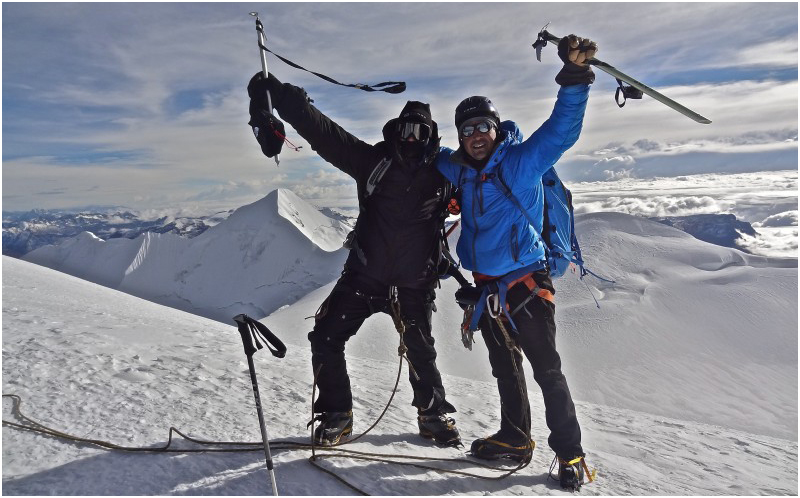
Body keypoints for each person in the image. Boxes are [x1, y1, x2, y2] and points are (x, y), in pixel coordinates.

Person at [247, 72, 461, 447]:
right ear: (395, 130)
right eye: (406, 129)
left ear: (431, 137)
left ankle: (433, 416)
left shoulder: (445, 172)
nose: (411, 137)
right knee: (326, 337)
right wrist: (283, 96)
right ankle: (337, 416)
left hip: (414, 282)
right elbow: (325, 133)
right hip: (366, 275)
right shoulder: (372, 162)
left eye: (419, 131)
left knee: (421, 353)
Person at [435, 35, 597, 489]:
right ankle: (515, 437)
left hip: (526, 283)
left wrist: (575, 76)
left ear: (496, 127)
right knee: (504, 366)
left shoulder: (522, 162)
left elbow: (562, 129)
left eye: (483, 126)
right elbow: (429, 159)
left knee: (546, 369)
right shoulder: (458, 169)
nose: (476, 136)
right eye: (466, 130)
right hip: (485, 288)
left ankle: (571, 455)